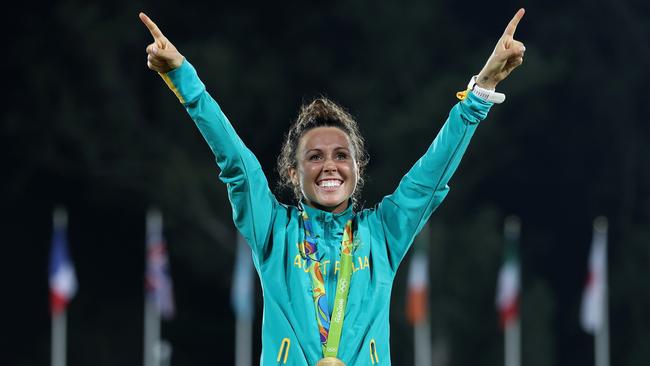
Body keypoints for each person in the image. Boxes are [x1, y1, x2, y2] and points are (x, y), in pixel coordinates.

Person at [139, 8, 526, 366]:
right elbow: (237, 165)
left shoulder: (383, 234)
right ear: (293, 172)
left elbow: (431, 177)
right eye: (314, 157)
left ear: (358, 169)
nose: (330, 166)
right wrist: (183, 78)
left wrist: (481, 90)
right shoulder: (273, 231)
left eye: (342, 156)